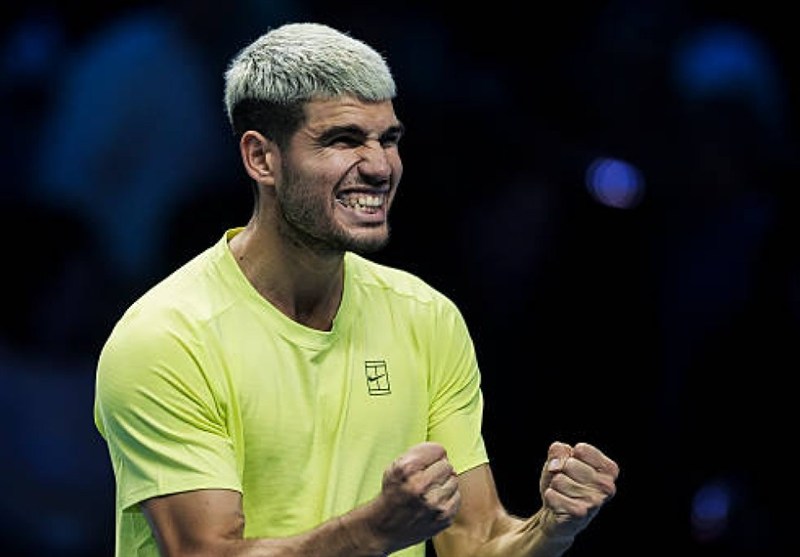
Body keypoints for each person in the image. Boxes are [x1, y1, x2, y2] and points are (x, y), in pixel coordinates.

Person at [93, 21, 619, 557]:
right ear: (262, 158)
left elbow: (475, 541)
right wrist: (375, 530)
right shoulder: (166, 337)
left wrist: (549, 529)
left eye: (388, 140)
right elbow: (204, 553)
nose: (380, 166)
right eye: (343, 140)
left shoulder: (426, 316)